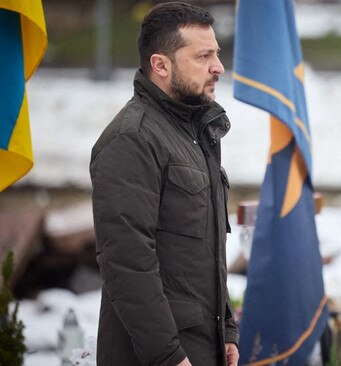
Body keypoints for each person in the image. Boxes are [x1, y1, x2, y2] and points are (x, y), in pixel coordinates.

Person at [90, 2, 238, 365]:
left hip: (202, 346)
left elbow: (201, 253)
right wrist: (167, 356)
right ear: (161, 65)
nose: (218, 67)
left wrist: (228, 330)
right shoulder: (133, 140)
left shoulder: (193, 133)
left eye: (216, 54)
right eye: (203, 56)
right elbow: (127, 263)